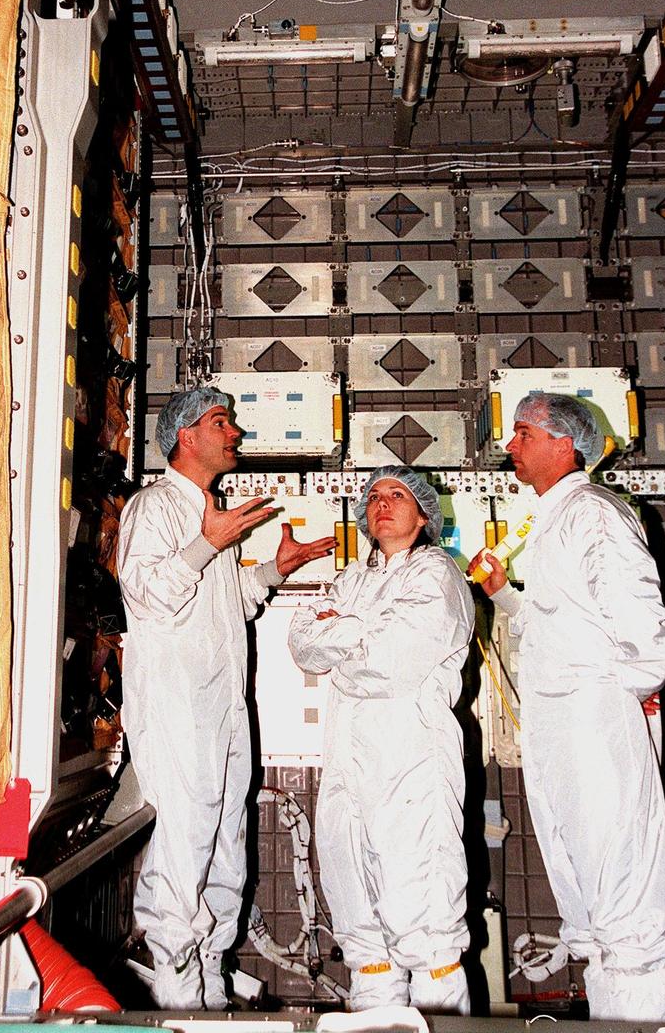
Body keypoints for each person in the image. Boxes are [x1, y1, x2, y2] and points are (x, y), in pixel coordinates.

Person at [117, 387, 336, 1010]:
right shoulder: (155, 507)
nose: (235, 432)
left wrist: (274, 571)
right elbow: (146, 593)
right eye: (222, 422)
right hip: (177, 705)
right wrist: (206, 544)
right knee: (184, 844)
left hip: (222, 707)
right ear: (186, 437)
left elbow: (229, 604)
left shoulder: (214, 518)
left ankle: (208, 985)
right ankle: (174, 988)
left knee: (225, 848)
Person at [469, 392, 665, 1023]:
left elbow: (644, 631)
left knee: (624, 900)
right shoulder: (554, 520)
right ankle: (616, 1015)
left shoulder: (594, 513)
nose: (510, 446)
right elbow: (559, 623)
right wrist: (504, 595)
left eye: (523, 433)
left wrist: (610, 701)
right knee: (587, 900)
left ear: (565, 444)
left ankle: (643, 1015)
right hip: (562, 725)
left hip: (595, 723)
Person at [288, 466, 474, 1014]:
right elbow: (303, 646)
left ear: (424, 516)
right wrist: (355, 637)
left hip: (410, 764)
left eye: (397, 495)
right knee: (364, 933)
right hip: (347, 764)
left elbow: (391, 663)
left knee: (426, 927)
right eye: (373, 496)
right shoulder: (351, 580)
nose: (382, 503)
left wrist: (340, 634)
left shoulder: (438, 575)